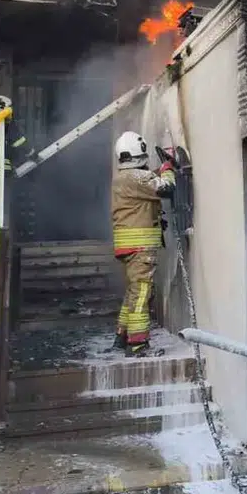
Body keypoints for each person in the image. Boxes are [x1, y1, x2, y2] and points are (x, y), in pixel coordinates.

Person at [110, 131, 176, 356]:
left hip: (129, 246)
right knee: (141, 295)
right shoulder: (137, 178)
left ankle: (121, 336)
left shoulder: (126, 178)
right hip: (140, 248)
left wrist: (160, 171)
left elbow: (147, 183)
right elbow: (165, 188)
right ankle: (138, 345)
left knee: (133, 291)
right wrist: (168, 170)